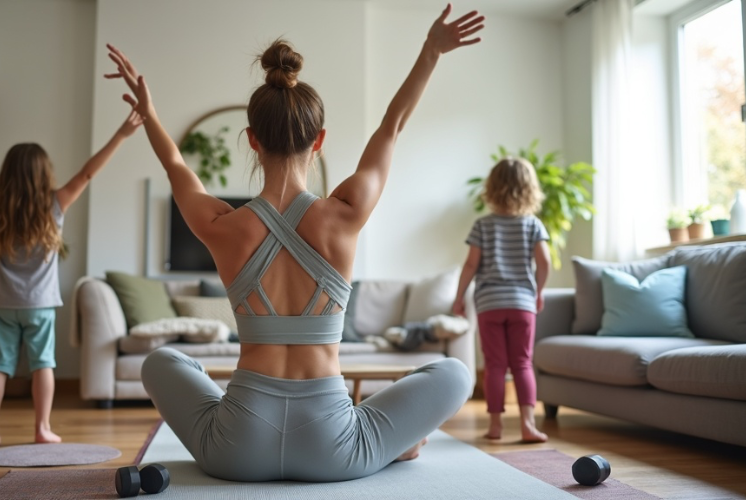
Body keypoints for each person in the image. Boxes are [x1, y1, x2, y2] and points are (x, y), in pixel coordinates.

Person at [105, 4, 484, 482]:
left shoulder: (222, 225)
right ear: (320, 140)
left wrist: (150, 112)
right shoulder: (344, 214)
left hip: (235, 450)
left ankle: (380, 440)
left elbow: (176, 168)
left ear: (252, 140)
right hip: (337, 452)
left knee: (160, 361)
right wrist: (430, 51)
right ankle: (392, 443)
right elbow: (392, 124)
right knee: (455, 374)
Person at [0, 111, 143, 448]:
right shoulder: (55, 204)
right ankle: (42, 428)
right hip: (40, 305)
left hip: (4, 303)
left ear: (9, 174)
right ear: (44, 174)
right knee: (43, 364)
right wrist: (121, 134)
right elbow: (88, 173)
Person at [452, 157, 551, 443]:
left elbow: (470, 265)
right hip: (522, 303)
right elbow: (544, 262)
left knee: (495, 365)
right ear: (529, 188)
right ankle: (527, 425)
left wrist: (459, 297)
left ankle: (495, 425)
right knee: (522, 363)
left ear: (492, 188)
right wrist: (539, 291)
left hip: (489, 303)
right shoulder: (533, 224)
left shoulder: (482, 225)